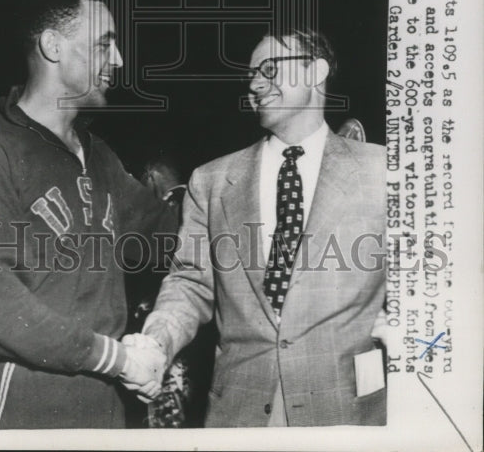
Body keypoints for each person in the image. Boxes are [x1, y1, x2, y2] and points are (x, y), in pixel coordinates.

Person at [124, 25, 387, 427]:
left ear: (315, 72)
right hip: (240, 410)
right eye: (250, 75)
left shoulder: (382, 170)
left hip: (348, 408)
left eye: (269, 69)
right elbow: (190, 284)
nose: (254, 85)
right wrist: (156, 342)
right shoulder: (211, 181)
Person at [0, 0, 177, 429]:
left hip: (105, 403)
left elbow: (169, 237)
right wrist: (119, 359)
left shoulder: (101, 156)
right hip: (23, 402)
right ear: (53, 46)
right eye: (105, 44)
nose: (120, 60)